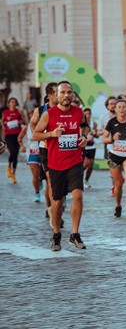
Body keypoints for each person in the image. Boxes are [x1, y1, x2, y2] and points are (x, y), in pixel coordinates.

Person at [32, 81, 88, 251]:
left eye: (69, 92)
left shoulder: (79, 112)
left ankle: (75, 234)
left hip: (75, 160)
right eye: (62, 92)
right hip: (56, 163)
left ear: (72, 95)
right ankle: (56, 234)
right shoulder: (49, 114)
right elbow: (35, 135)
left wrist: (84, 138)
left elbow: (85, 127)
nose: (66, 95)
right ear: (57, 95)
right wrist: (51, 134)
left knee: (77, 195)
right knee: (57, 202)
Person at [30, 83, 59, 222]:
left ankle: (57, 207)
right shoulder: (40, 110)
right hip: (46, 148)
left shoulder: (65, 109)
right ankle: (51, 210)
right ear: (49, 95)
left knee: (60, 181)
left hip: (62, 148)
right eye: (56, 92)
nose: (60, 95)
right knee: (50, 180)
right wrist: (42, 134)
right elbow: (32, 124)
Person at [2, 97, 25, 183]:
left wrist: (20, 121)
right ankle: (8, 167)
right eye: (12, 102)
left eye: (15, 102)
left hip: (17, 135)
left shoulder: (18, 112)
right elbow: (2, 122)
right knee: (13, 152)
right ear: (9, 104)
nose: (13, 104)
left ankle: (13, 174)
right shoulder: (5, 112)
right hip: (8, 135)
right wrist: (4, 125)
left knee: (15, 155)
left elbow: (24, 121)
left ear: (16, 104)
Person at [17, 122, 42, 202]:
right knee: (35, 175)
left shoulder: (45, 125)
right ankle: (37, 193)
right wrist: (22, 146)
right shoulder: (27, 128)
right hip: (32, 153)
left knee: (42, 175)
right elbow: (19, 138)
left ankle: (40, 179)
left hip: (44, 153)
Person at [82, 108, 99, 188]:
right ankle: (78, 177)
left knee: (90, 165)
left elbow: (97, 135)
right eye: (86, 114)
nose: (88, 115)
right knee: (85, 164)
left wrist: (95, 134)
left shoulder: (93, 124)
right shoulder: (82, 123)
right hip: (85, 147)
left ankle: (86, 180)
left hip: (92, 146)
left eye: (89, 114)